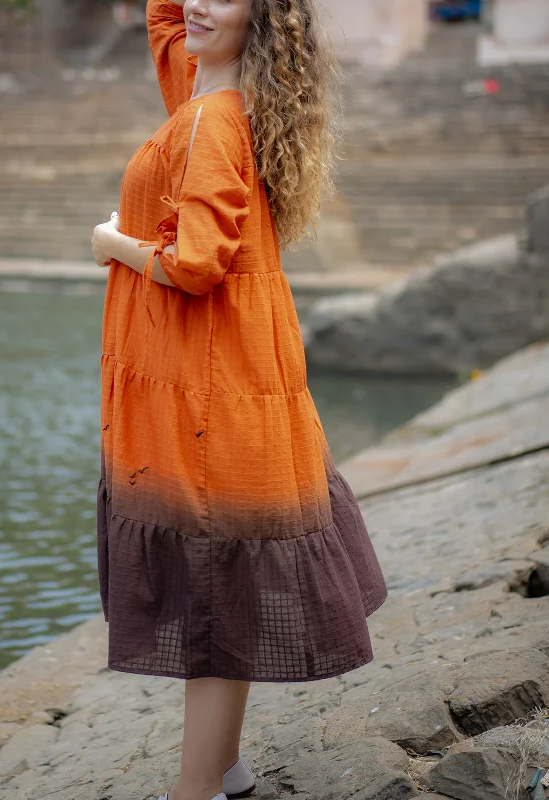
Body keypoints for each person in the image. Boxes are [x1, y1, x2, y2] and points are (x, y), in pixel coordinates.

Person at [90, 1, 387, 799]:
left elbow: (196, 264)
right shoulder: (206, 86)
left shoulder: (212, 120)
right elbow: (165, 20)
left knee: (215, 594)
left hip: (209, 391)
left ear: (263, 18)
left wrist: (112, 243)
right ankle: (227, 770)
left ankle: (197, 792)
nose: (197, 3)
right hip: (230, 378)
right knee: (227, 579)